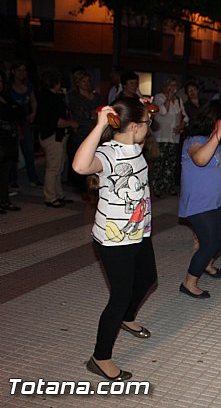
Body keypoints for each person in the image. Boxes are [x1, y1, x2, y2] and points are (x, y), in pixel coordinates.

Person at [72, 97, 157, 381]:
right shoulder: (108, 153)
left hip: (139, 231)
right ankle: (100, 357)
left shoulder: (134, 146)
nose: (150, 126)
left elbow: (138, 136)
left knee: (147, 279)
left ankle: (127, 318)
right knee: (119, 295)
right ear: (134, 126)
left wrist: (144, 108)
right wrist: (99, 126)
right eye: (147, 122)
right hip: (114, 238)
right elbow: (80, 167)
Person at [178, 101, 221, 298]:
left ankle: (206, 262)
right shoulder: (194, 140)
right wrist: (217, 134)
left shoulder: (213, 139)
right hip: (198, 204)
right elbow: (200, 159)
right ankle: (189, 283)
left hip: (217, 201)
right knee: (209, 243)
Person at [35, 69, 78, 208]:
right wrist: (72, 124)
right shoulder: (49, 98)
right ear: (56, 83)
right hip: (53, 136)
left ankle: (58, 194)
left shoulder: (48, 96)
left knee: (58, 166)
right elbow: (55, 121)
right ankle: (50, 197)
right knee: (53, 168)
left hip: (57, 135)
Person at [151, 77, 188, 197]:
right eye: (170, 85)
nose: (173, 88)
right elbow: (162, 111)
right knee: (159, 163)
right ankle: (158, 187)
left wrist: (181, 126)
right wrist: (168, 98)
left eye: (175, 85)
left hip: (173, 137)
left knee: (170, 164)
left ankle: (169, 186)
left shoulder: (178, 100)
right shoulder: (159, 97)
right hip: (161, 136)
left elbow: (185, 116)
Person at [68, 70, 102, 198]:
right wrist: (91, 114)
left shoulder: (96, 96)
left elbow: (101, 112)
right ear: (77, 83)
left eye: (88, 81)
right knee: (82, 160)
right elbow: (80, 114)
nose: (87, 84)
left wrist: (93, 114)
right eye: (83, 81)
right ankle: (82, 189)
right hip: (82, 133)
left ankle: (94, 187)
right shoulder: (75, 97)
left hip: (96, 131)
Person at [8, 61, 42, 188]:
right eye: (19, 70)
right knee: (13, 151)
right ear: (13, 71)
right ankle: (12, 179)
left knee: (29, 149)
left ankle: (33, 177)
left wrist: (33, 112)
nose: (22, 73)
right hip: (12, 121)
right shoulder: (9, 86)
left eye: (24, 70)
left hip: (25, 120)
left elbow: (33, 101)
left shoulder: (29, 85)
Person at [0, 72, 22, 213]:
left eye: (1, 81)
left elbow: (19, 112)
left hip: (8, 140)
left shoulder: (6, 97)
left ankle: (4, 201)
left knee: (5, 173)